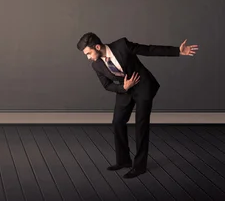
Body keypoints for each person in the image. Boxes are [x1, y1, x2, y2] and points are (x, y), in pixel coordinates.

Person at [76, 32, 198, 178]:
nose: (88, 57)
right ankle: (123, 161)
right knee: (117, 123)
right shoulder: (96, 65)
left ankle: (139, 166)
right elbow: (107, 85)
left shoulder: (122, 45)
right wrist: (124, 88)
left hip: (142, 87)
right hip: (125, 90)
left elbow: (149, 50)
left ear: (97, 46)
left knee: (141, 125)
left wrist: (177, 51)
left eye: (88, 53)